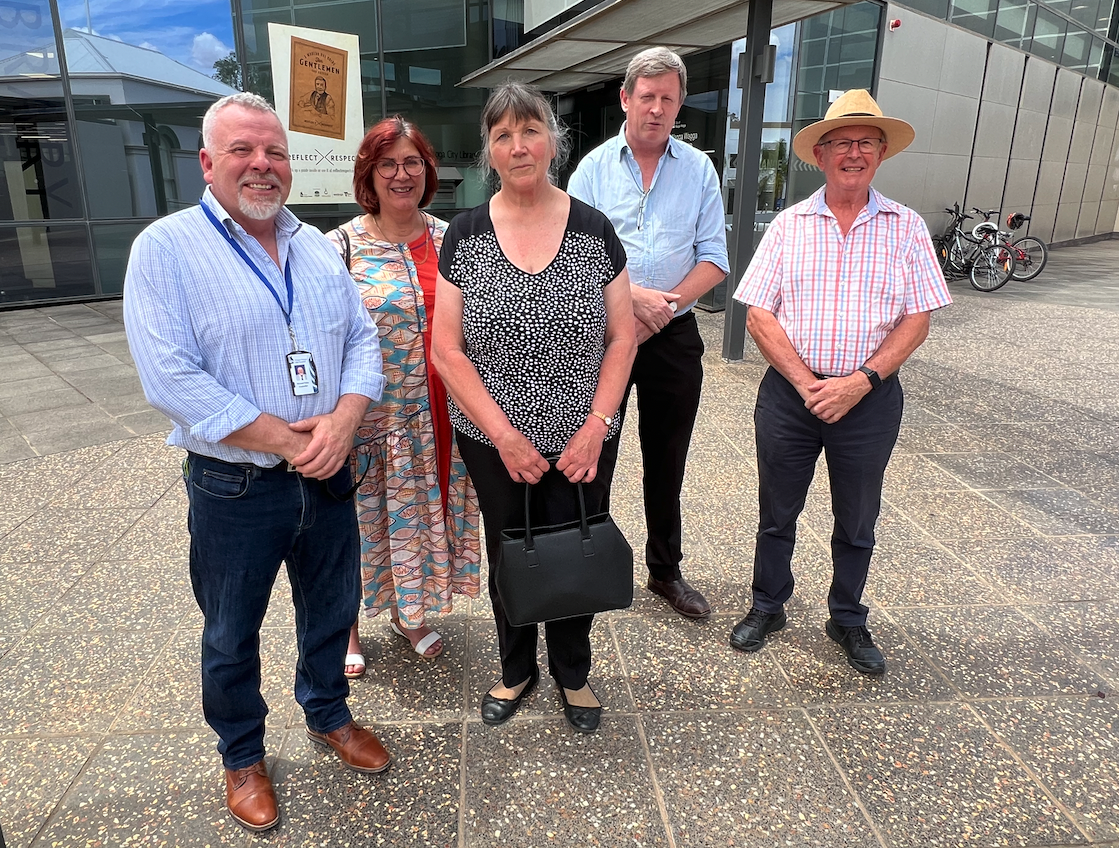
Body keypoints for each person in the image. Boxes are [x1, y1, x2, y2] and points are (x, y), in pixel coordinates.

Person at [123, 93, 392, 834]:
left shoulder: (314, 246)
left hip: (330, 471)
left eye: (273, 151)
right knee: (230, 631)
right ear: (208, 163)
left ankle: (327, 714)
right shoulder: (166, 249)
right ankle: (242, 754)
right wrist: (285, 439)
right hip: (235, 483)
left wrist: (342, 419)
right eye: (242, 150)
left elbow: (362, 341)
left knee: (331, 609)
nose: (261, 165)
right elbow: (169, 377)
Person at [432, 83, 636, 734]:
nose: (517, 146)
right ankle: (516, 667)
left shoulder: (592, 230)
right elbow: (446, 351)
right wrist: (506, 436)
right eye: (502, 135)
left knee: (577, 545)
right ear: (488, 151)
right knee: (511, 550)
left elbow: (622, 336)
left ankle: (572, 672)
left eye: (529, 130)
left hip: (584, 435)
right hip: (493, 443)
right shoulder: (464, 234)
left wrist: (595, 429)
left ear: (552, 138)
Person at [730, 89, 952, 674]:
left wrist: (862, 380)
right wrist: (807, 383)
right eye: (842, 143)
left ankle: (848, 618)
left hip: (869, 398)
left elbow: (918, 316)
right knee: (777, 511)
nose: (854, 153)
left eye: (866, 143)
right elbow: (758, 313)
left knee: (857, 518)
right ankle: (767, 605)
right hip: (790, 396)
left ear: (881, 154)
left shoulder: (906, 228)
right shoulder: (788, 225)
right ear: (821, 155)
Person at [568, 47, 729, 621]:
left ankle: (665, 570)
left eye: (668, 98)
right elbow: (572, 253)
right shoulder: (591, 169)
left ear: (679, 103)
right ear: (625, 99)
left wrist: (665, 305)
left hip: (674, 335)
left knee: (668, 456)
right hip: (604, 334)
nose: (656, 108)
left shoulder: (699, 169)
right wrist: (630, 298)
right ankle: (591, 561)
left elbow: (714, 258)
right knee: (595, 450)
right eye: (647, 96)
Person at [326, 117, 481, 676]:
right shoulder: (340, 246)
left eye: (411, 162)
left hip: (439, 415)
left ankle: (407, 615)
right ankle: (346, 628)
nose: (400, 174)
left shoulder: (453, 239)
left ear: (427, 170)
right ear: (369, 173)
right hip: (370, 422)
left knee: (417, 517)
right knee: (359, 526)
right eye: (387, 163)